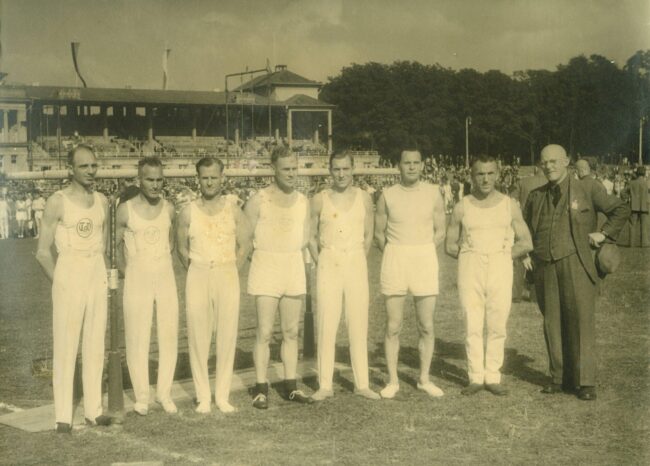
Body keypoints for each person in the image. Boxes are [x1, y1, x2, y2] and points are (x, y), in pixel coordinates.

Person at [523, 144, 629, 401]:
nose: (548, 166)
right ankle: (558, 377)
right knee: (552, 322)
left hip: (577, 263)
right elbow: (524, 229)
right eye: (544, 162)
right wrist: (525, 254)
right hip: (545, 265)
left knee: (581, 321)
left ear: (566, 161)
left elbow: (620, 209)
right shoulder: (536, 196)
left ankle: (585, 381)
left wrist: (603, 234)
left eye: (554, 161)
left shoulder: (588, 188)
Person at [35, 145, 111, 433]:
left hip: (96, 271)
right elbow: (42, 252)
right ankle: (63, 416)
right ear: (71, 169)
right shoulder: (58, 201)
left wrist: (102, 277)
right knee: (66, 346)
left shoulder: (101, 200)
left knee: (95, 342)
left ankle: (94, 410)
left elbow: (102, 245)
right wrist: (61, 282)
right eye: (84, 166)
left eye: (93, 165)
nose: (91, 171)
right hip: (70, 271)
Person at [446, 155, 533, 396]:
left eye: (490, 173)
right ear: (471, 176)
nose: (485, 179)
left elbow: (526, 242)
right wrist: (470, 256)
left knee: (497, 322)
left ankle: (492, 375)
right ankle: (475, 376)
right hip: (470, 265)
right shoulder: (462, 206)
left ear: (498, 175)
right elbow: (450, 245)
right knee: (472, 321)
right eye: (480, 174)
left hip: (500, 264)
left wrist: (503, 255)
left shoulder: (509, 205)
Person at [177, 157, 252, 413]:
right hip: (198, 273)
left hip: (226, 272)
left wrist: (230, 269)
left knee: (227, 335)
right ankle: (203, 397)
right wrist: (197, 270)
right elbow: (181, 248)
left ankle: (222, 396)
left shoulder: (233, 210)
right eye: (204, 178)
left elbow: (245, 244)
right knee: (198, 336)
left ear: (222, 178)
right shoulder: (188, 211)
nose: (209, 182)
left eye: (213, 177)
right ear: (197, 179)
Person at [244, 145, 313, 409]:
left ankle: (291, 386)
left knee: (291, 331)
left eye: (295, 168)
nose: (292, 173)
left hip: (292, 264)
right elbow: (244, 238)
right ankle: (261, 388)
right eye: (286, 169)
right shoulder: (258, 200)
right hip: (266, 265)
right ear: (273, 169)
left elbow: (305, 236)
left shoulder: (303, 201)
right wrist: (260, 259)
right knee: (264, 331)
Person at [374, 149, 446, 399]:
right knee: (393, 325)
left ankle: (424, 379)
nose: (412, 167)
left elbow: (440, 231)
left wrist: (422, 250)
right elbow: (379, 234)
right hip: (395, 257)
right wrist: (397, 251)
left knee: (426, 325)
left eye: (416, 163)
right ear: (399, 165)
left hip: (424, 258)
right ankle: (393, 381)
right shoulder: (387, 195)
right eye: (407, 163)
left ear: (423, 165)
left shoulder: (434, 193)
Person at [308, 152, 380, 401]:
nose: (341, 174)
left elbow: (368, 235)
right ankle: (325, 385)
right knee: (327, 323)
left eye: (345, 169)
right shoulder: (319, 199)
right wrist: (323, 260)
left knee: (358, 322)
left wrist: (356, 257)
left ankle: (362, 384)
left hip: (355, 260)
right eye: (336, 169)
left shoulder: (364, 197)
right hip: (329, 260)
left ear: (353, 169)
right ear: (330, 171)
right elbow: (310, 236)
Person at [115, 157, 178, 416]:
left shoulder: (169, 208)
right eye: (150, 179)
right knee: (137, 335)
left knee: (169, 333)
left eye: (159, 180)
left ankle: (164, 393)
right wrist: (128, 271)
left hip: (164, 275)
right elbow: (114, 246)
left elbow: (171, 243)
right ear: (139, 180)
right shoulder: (125, 210)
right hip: (136, 276)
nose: (155, 185)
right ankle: (142, 395)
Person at [510, 170, 547, 302]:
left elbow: (512, 199)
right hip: (544, 223)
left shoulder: (523, 181)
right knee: (539, 257)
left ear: (535, 169)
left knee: (520, 256)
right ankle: (535, 295)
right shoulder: (550, 182)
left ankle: (516, 294)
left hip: (524, 220)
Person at [627, 166, 650, 247]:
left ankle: (631, 243)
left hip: (634, 206)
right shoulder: (647, 183)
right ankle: (644, 243)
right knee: (644, 226)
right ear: (644, 173)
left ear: (637, 173)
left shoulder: (632, 183)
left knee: (632, 225)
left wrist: (627, 199)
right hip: (644, 206)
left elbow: (623, 192)